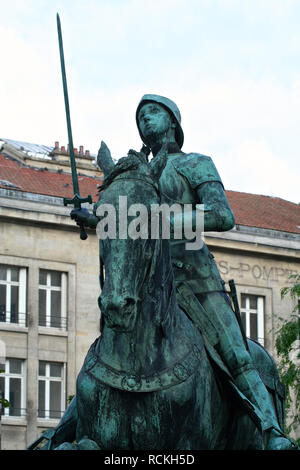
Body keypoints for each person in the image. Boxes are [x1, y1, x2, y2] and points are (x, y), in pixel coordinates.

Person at [71, 94, 297, 450]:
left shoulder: (196, 163)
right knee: (102, 357)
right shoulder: (133, 172)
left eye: (153, 112)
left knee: (237, 353)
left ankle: (271, 433)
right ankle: (65, 429)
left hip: (194, 280)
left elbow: (223, 216)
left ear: (173, 122)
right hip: (143, 286)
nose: (145, 119)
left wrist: (157, 220)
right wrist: (98, 218)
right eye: (140, 116)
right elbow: (122, 222)